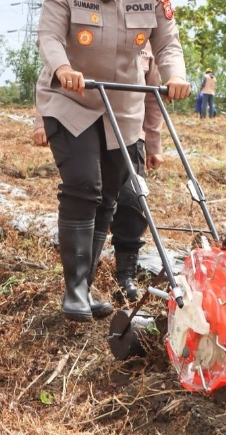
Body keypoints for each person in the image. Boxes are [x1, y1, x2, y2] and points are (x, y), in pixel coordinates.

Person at [36, 0, 190, 322]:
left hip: (123, 107)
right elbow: (49, 36)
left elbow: (168, 44)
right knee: (84, 184)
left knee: (108, 197)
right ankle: (73, 292)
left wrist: (175, 75)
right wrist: (63, 68)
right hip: (74, 101)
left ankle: (85, 287)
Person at [35, 43, 163, 302]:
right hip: (88, 126)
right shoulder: (93, 32)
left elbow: (153, 95)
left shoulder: (149, 40)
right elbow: (50, 77)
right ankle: (82, 285)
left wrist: (153, 143)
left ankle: (125, 275)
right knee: (91, 197)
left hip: (129, 131)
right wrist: (41, 121)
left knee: (131, 200)